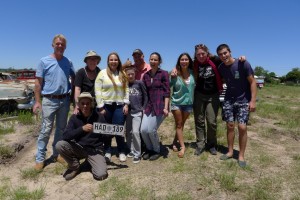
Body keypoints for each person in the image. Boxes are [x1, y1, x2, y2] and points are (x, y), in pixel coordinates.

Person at [33, 34, 75, 170]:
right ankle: (40, 158)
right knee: (46, 130)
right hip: (49, 100)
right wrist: (37, 102)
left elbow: (74, 79)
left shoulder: (68, 62)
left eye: (62, 44)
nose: (60, 46)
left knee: (61, 130)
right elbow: (38, 83)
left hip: (64, 100)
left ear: (65, 47)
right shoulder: (44, 61)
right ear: (53, 45)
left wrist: (73, 98)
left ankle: (57, 154)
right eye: (57, 43)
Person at [216, 44, 257, 168]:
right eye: (221, 54)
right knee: (229, 125)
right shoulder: (221, 67)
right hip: (228, 99)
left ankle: (241, 155)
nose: (223, 56)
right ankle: (230, 152)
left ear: (230, 52)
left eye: (225, 53)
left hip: (243, 100)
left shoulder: (243, 64)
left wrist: (253, 101)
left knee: (242, 127)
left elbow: (253, 82)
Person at [56, 92, 108, 181]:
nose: (85, 106)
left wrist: (97, 130)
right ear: (79, 105)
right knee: (60, 145)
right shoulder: (74, 118)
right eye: (82, 103)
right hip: (79, 148)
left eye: (87, 103)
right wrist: (82, 129)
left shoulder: (99, 116)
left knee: (101, 175)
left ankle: (89, 163)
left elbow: (107, 136)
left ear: (91, 104)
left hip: (95, 150)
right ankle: (75, 167)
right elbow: (65, 136)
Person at [94, 52, 129, 162]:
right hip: (106, 106)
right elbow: (97, 90)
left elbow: (126, 89)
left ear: (118, 61)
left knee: (119, 128)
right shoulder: (102, 73)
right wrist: (100, 106)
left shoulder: (122, 74)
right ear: (108, 61)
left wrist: (126, 104)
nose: (113, 62)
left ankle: (121, 151)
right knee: (107, 130)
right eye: (111, 60)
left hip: (119, 106)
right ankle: (107, 151)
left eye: (115, 60)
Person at [193, 44, 224, 156]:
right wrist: (174, 69)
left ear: (207, 53)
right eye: (198, 54)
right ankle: (200, 145)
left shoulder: (215, 60)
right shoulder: (194, 63)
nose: (201, 56)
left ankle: (211, 145)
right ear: (195, 55)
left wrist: (240, 59)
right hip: (199, 95)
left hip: (213, 95)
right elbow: (181, 66)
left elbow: (228, 61)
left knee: (211, 122)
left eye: (203, 54)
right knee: (199, 121)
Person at [141, 52, 170, 161]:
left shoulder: (163, 74)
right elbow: (144, 93)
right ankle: (149, 149)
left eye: (155, 60)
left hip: (160, 106)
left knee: (151, 130)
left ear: (159, 62)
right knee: (143, 130)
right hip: (149, 106)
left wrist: (166, 107)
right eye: (151, 59)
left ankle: (156, 150)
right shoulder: (146, 75)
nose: (153, 61)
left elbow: (167, 92)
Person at [170, 53, 195, 158]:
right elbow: (169, 87)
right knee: (179, 124)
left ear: (189, 61)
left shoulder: (193, 73)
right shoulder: (175, 74)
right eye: (182, 60)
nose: (184, 61)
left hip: (188, 104)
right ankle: (183, 147)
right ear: (179, 61)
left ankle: (175, 142)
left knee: (181, 125)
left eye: (186, 59)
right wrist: (172, 75)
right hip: (177, 103)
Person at [124, 66, 148, 164]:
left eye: (132, 74)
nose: (130, 76)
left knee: (135, 132)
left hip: (137, 111)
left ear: (135, 74)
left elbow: (146, 96)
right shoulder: (125, 85)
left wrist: (143, 107)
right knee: (128, 132)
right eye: (128, 74)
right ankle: (132, 150)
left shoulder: (139, 83)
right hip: (128, 112)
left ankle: (138, 153)